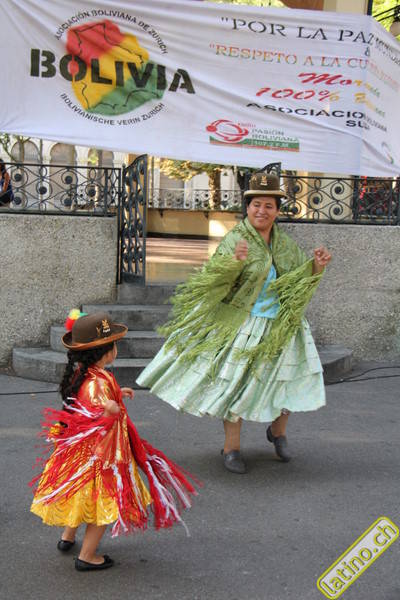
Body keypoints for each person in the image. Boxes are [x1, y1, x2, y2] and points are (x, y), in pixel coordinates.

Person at [137, 172, 332, 474]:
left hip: (281, 326)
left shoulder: (284, 244)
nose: (261, 211)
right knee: (236, 385)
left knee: (287, 381)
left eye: (268, 206)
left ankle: (278, 433)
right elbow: (214, 278)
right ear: (248, 207)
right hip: (243, 323)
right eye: (256, 204)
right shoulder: (235, 239)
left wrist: (316, 266)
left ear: (277, 211)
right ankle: (231, 448)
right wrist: (233, 264)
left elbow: (298, 281)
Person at [30, 311, 197, 571]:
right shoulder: (95, 384)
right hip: (101, 458)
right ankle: (87, 556)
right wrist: (110, 410)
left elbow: (97, 398)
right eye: (113, 345)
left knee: (80, 497)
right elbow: (95, 414)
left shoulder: (89, 375)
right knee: (102, 504)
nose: (115, 350)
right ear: (105, 352)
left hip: (84, 457)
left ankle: (68, 537)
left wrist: (118, 393)